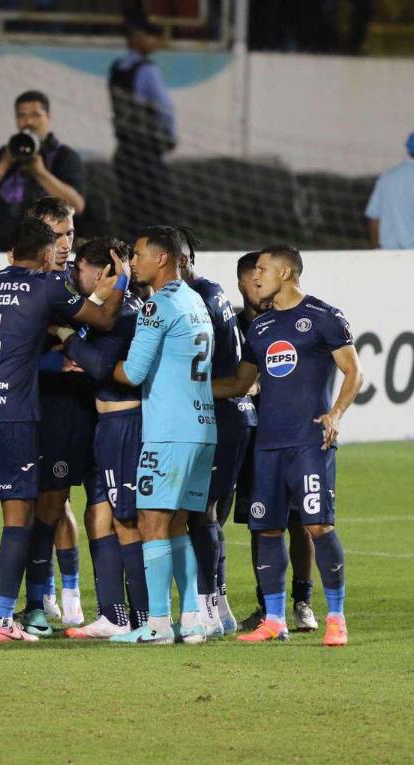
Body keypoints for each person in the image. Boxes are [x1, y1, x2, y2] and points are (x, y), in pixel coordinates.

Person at [0, 217, 121, 643]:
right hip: (11, 414)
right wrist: (122, 278)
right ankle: (4, 619)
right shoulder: (47, 285)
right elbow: (101, 319)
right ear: (46, 255)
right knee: (18, 515)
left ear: (10, 252)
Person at [214, 245, 363, 647]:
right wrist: (190, 388)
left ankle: (336, 617)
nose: (254, 277)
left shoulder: (323, 317)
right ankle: (275, 619)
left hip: (308, 441)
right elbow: (240, 384)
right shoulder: (259, 329)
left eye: (261, 269)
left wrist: (335, 414)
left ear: (284, 272)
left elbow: (353, 371)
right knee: (266, 529)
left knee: (317, 524)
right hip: (268, 444)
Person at [109, 226, 215, 646]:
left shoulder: (156, 307)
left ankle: (156, 624)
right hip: (202, 428)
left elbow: (132, 373)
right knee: (178, 526)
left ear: (162, 260)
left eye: (137, 255)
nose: (133, 262)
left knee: (151, 521)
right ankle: (191, 621)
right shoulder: (196, 302)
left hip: (168, 432)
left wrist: (96, 366)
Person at [52, 237, 149, 640]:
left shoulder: (125, 313)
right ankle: (114, 613)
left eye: (81, 268)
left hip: (126, 426)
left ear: (104, 270)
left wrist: (65, 335)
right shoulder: (111, 309)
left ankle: (144, 616)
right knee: (102, 517)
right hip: (107, 426)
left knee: (127, 519)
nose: (75, 275)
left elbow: (99, 364)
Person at [173, 228, 253, 638]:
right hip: (232, 414)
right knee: (209, 517)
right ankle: (218, 607)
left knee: (200, 515)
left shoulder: (191, 299)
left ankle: (207, 606)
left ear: (180, 261)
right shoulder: (212, 290)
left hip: (219, 414)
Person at [232, 251, 317, 634]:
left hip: (296, 436)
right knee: (261, 522)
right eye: (253, 278)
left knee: (302, 521)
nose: (259, 284)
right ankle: (268, 605)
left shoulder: (296, 321)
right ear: (241, 284)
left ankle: (302, 601)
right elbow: (234, 378)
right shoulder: (234, 325)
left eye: (262, 275)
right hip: (253, 436)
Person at [21, 196, 92, 635]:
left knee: (56, 499)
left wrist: (59, 338)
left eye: (69, 233)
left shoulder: (78, 282)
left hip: (67, 404)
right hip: (21, 405)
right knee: (27, 504)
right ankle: (42, 589)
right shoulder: (22, 283)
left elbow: (88, 333)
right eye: (56, 234)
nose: (65, 243)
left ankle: (70, 594)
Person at [0, 91, 86, 252]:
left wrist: (41, 173)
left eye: (36, 115)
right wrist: (5, 162)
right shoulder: (7, 153)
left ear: (48, 117)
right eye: (22, 116)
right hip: (2, 248)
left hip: (48, 250)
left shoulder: (64, 155)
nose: (28, 121)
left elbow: (76, 205)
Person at [109, 13, 177, 237]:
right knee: (160, 205)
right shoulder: (147, 69)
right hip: (146, 148)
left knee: (132, 206)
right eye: (152, 36)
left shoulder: (117, 68)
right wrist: (170, 134)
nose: (156, 42)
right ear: (138, 37)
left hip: (124, 146)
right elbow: (164, 107)